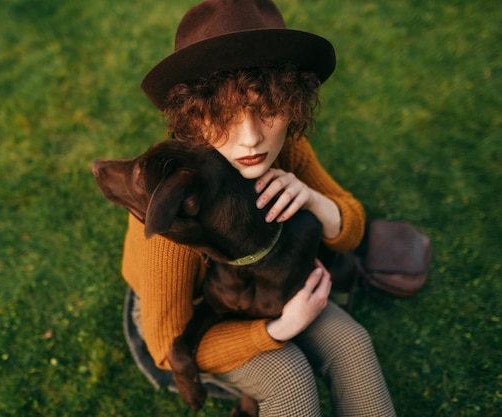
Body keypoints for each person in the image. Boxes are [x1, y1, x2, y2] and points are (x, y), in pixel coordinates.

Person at [121, 0, 397, 415]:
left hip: (273, 280)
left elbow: (352, 226)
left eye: (267, 111)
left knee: (353, 345)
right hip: (196, 312)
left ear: (293, 105)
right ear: (194, 118)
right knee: (290, 375)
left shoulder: (287, 152)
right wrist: (279, 330)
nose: (251, 139)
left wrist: (315, 201)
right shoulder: (173, 212)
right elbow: (168, 348)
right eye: (224, 116)